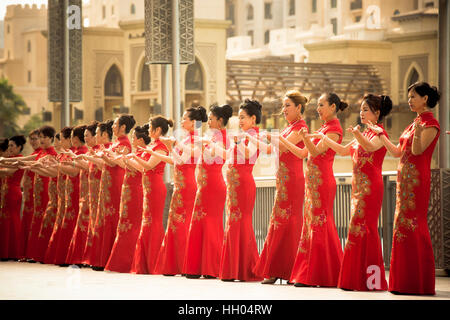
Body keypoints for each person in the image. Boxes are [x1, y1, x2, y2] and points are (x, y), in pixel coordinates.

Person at [310, 94, 392, 291]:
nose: (362, 113)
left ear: (377, 113)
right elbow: (342, 150)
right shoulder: (363, 133)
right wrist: (323, 138)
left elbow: (370, 147)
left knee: (369, 230)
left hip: (371, 188)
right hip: (358, 188)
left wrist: (357, 135)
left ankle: (373, 281)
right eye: (361, 110)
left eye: (366, 110)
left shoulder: (380, 134)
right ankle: (354, 279)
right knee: (356, 230)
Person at [369, 82, 440, 295]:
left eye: (413, 96)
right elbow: (398, 152)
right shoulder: (415, 123)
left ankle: (418, 281)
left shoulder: (430, 123)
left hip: (417, 181)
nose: (409, 100)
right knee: (402, 225)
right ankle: (403, 281)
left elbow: (417, 151)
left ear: (425, 98)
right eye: (408, 97)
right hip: (404, 180)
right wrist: (380, 135)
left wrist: (417, 133)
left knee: (414, 224)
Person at [287, 92, 345, 288]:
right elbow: (309, 152)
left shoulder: (334, 128)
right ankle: (311, 272)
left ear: (333, 107)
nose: (318, 109)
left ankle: (319, 273)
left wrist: (305, 137)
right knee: (312, 224)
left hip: (322, 183)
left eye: (322, 105)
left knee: (320, 224)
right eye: (318, 105)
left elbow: (315, 152)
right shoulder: (324, 128)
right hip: (313, 182)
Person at [253, 91, 308, 284]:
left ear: (298, 108)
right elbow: (270, 149)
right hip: (283, 180)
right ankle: (276, 270)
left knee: (291, 222)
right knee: (278, 221)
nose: (283, 110)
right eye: (283, 106)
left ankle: (290, 270)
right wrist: (254, 137)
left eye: (287, 106)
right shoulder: (288, 128)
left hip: (293, 179)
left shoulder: (301, 127)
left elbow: (284, 147)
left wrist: (271, 136)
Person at [153, 106, 207, 276]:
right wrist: (170, 148)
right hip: (180, 185)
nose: (182, 121)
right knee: (176, 223)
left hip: (188, 185)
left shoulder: (196, 139)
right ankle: (175, 264)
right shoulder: (186, 139)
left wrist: (172, 146)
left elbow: (183, 160)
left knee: (183, 224)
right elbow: (177, 161)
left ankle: (184, 264)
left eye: (185, 118)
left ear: (193, 122)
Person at [183, 104, 232, 279]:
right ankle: (196, 267)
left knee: (211, 224)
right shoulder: (211, 136)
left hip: (214, 184)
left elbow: (227, 155)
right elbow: (198, 154)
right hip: (204, 185)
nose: (209, 121)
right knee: (198, 222)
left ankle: (212, 268)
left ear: (220, 121)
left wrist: (208, 143)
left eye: (211, 119)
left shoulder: (224, 137)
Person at [219, 99, 263, 282]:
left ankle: (247, 268)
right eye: (239, 118)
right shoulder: (241, 135)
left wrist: (236, 143)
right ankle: (232, 270)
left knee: (241, 223)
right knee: (233, 223)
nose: (241, 121)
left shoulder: (256, 135)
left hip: (244, 185)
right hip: (234, 186)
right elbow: (229, 156)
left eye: (243, 117)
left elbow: (248, 154)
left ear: (253, 118)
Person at [104, 124, 150, 273]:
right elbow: (125, 165)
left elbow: (141, 168)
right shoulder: (137, 152)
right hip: (128, 189)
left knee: (132, 224)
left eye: (134, 138)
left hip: (136, 190)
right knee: (125, 223)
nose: (132, 140)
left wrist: (124, 158)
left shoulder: (143, 154)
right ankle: (121, 261)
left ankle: (130, 261)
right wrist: (117, 158)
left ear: (140, 140)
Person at [90, 115, 134, 271]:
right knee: (105, 216)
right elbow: (108, 162)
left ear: (123, 127)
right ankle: (102, 258)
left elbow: (121, 163)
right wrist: (103, 157)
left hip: (116, 182)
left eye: (115, 124)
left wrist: (107, 157)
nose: (113, 127)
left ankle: (109, 257)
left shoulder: (125, 144)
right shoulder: (115, 143)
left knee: (112, 216)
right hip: (108, 182)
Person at [129, 116, 172, 274]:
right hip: (148, 187)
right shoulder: (153, 145)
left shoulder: (161, 146)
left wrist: (133, 157)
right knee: (146, 222)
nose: (148, 130)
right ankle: (144, 263)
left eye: (150, 127)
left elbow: (148, 165)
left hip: (155, 187)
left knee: (153, 222)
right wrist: (129, 160)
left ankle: (155, 262)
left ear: (158, 130)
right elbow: (143, 168)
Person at [66, 122, 99, 266]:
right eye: (84, 136)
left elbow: (87, 166)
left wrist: (73, 160)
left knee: (87, 221)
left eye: (88, 135)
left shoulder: (92, 150)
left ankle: (85, 257)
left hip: (94, 190)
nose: (85, 138)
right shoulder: (90, 151)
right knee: (85, 221)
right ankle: (82, 257)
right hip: (86, 190)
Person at [81, 120, 113, 266]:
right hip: (94, 191)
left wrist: (85, 157)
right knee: (94, 221)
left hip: (103, 190)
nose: (91, 137)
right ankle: (93, 256)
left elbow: (104, 165)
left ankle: (99, 257)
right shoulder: (99, 149)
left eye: (93, 134)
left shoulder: (108, 148)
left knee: (100, 221)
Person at [25, 126, 58, 262]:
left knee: (45, 220)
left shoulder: (53, 153)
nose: (42, 140)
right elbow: (26, 160)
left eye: (44, 137)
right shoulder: (41, 153)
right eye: (41, 137)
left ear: (51, 138)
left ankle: (44, 253)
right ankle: (35, 253)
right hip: (38, 193)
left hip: (47, 191)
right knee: (38, 220)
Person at [43, 128, 73, 264]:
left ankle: (67, 256)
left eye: (59, 139)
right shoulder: (63, 155)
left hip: (72, 192)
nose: (57, 143)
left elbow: (69, 171)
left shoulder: (75, 153)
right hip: (62, 193)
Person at [0, 135, 26, 260]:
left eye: (12, 146)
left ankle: (14, 252)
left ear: (19, 147)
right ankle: (5, 251)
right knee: (5, 220)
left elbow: (8, 172)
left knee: (13, 220)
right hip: (6, 191)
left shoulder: (19, 159)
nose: (9, 148)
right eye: (9, 145)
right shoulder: (9, 159)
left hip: (13, 191)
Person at [18, 130, 41, 260]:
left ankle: (33, 252)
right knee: (27, 219)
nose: (33, 141)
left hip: (37, 193)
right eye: (31, 139)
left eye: (36, 138)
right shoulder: (34, 154)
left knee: (34, 220)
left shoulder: (40, 155)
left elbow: (23, 161)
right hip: (29, 192)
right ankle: (26, 252)